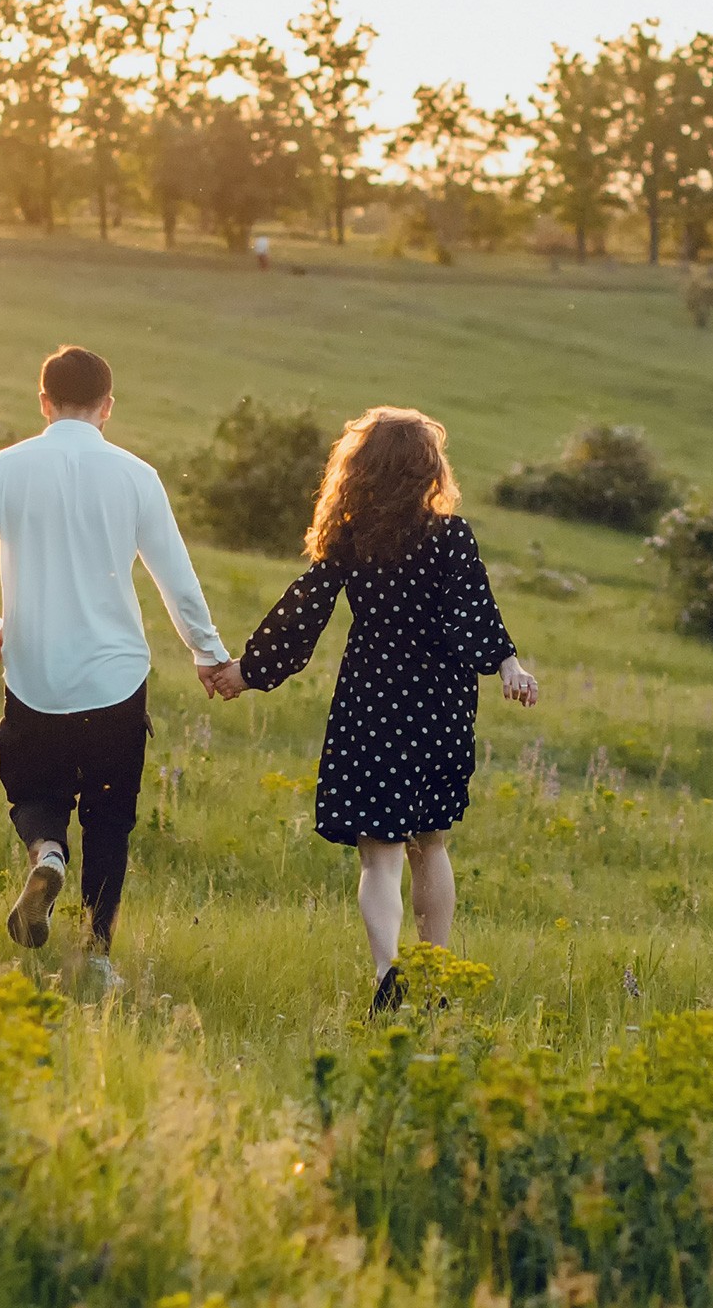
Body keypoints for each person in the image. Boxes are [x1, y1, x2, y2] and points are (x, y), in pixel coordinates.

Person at [207, 406, 536, 1014]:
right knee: (431, 844)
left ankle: (390, 974)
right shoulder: (452, 536)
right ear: (426, 470)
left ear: (360, 470)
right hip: (441, 703)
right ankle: (432, 978)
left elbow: (303, 613)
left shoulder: (351, 536)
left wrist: (249, 672)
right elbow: (475, 621)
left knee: (380, 854)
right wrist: (509, 666)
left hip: (373, 699)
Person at [0, 345, 238, 975]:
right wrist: (209, 655)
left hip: (34, 673)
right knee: (109, 820)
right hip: (115, 678)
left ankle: (47, 854)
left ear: (43, 403)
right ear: (108, 407)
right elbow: (175, 580)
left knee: (37, 792)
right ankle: (96, 959)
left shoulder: (8, 468)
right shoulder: (135, 475)